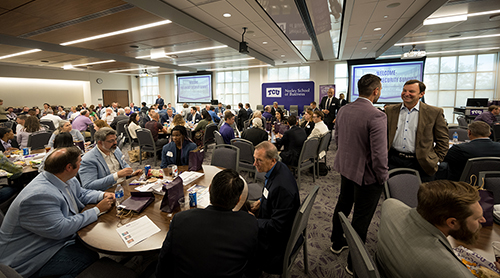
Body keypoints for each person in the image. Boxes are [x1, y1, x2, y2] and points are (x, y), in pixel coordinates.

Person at [0, 147, 115, 278]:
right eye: (79, 162)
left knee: (87, 248)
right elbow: (61, 229)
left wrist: (103, 195)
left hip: (50, 241)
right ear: (68, 167)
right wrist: (97, 210)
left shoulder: (64, 177)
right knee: (86, 257)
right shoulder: (38, 196)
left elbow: (81, 194)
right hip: (26, 259)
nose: (81, 164)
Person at [330, 74, 388, 275]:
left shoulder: (344, 109)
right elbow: (379, 155)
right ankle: (353, 263)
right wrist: (383, 177)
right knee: (361, 219)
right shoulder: (377, 115)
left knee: (343, 205)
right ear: (376, 91)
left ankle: (336, 242)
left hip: (346, 168)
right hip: (367, 176)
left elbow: (337, 138)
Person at [156, 168, 258, 277]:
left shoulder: (180, 220)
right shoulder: (250, 224)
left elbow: (163, 264)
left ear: (209, 189)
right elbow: (253, 267)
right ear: (238, 200)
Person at [376, 180, 485, 278]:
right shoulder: (453, 271)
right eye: (477, 218)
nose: (483, 220)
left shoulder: (390, 205)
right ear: (452, 222)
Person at [249, 141, 300, 274]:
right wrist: (261, 200)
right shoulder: (278, 168)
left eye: (259, 160)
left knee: (242, 240)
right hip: (274, 216)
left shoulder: (282, 188)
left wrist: (253, 222)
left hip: (277, 242)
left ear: (272, 160)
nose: (254, 164)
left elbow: (277, 226)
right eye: (254, 159)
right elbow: (269, 191)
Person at [386, 79, 449, 182]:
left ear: (421, 94)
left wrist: (435, 160)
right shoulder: (390, 110)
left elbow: (443, 141)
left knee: (421, 196)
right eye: (404, 90)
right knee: (394, 194)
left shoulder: (434, 112)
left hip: (421, 163)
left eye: (411, 91)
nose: (406, 94)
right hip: (393, 161)